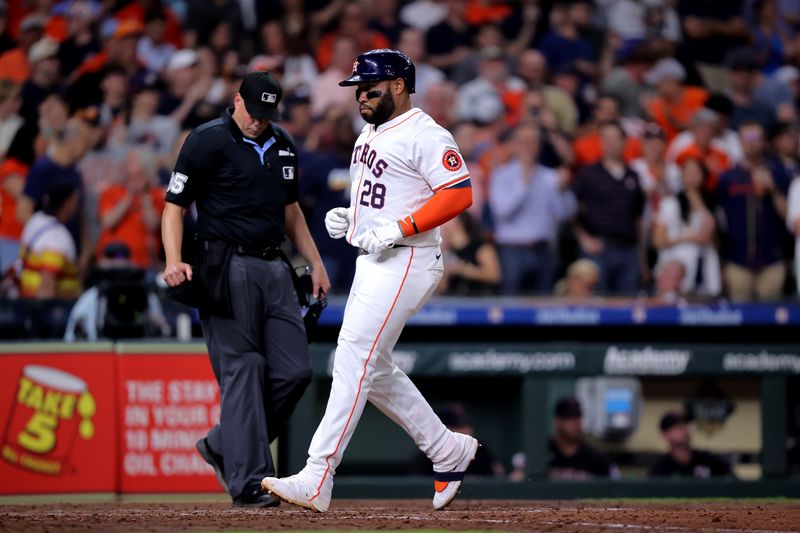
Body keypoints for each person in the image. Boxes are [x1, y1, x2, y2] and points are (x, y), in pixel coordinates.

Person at [262, 49, 478, 512]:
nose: (361, 95)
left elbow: (459, 194)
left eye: (370, 87)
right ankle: (446, 449)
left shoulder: (424, 132)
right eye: (358, 88)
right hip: (374, 259)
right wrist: (354, 219)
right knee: (370, 366)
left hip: (407, 259)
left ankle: (318, 476)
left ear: (399, 86)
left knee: (354, 358)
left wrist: (398, 228)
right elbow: (387, 192)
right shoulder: (370, 132)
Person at [161, 71, 331, 508]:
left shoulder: (283, 144)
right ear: (237, 100)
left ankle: (224, 444)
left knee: (296, 370)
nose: (259, 121)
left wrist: (314, 261)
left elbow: (290, 209)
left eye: (267, 114)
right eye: (253, 111)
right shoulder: (206, 140)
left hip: (275, 265)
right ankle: (250, 482)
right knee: (244, 368)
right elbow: (174, 207)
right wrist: (173, 258)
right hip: (224, 264)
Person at [547, 396, 619, 480]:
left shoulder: (596, 458)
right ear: (557, 421)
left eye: (577, 417)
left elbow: (615, 485)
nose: (575, 423)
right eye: (569, 418)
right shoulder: (542, 453)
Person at [649, 411, 734, 478]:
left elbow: (734, 484)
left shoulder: (709, 460)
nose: (684, 428)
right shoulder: (660, 468)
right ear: (665, 435)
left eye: (685, 424)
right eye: (677, 425)